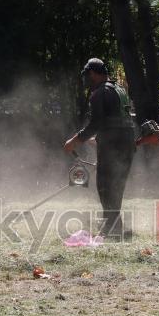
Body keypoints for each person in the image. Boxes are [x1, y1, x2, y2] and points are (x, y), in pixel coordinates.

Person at [63, 58, 135, 237]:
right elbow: (117, 120)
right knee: (117, 184)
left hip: (114, 145)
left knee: (105, 184)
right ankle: (114, 223)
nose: (86, 79)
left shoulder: (99, 93)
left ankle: (112, 226)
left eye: (87, 75)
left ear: (93, 73)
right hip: (127, 142)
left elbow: (95, 123)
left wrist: (74, 141)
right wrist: (101, 138)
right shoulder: (119, 89)